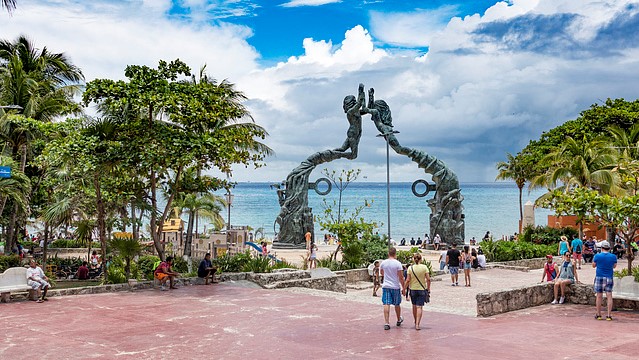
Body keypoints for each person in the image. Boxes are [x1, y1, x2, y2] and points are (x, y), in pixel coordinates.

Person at [334, 83, 365, 160]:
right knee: (353, 155)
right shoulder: (350, 112)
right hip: (353, 133)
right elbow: (359, 104)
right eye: (353, 101)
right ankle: (335, 155)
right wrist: (360, 91)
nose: (355, 102)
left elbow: (366, 109)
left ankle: (332, 154)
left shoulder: (357, 112)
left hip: (356, 134)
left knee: (342, 149)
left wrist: (371, 97)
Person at [380, 247, 405, 330]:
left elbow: (382, 273)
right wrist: (404, 287)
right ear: (395, 254)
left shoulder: (383, 263)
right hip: (395, 286)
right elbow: (401, 277)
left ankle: (386, 322)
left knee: (386, 304)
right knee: (397, 304)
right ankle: (398, 319)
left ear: (388, 254)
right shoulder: (398, 264)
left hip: (386, 285)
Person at [404, 253, 431, 330]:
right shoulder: (424, 267)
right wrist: (428, 288)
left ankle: (415, 320)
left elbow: (408, 280)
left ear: (414, 259)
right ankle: (417, 324)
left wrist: (404, 289)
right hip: (422, 289)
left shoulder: (410, 268)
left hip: (413, 289)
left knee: (414, 306)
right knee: (419, 307)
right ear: (421, 259)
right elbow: (428, 279)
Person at [593, 241, 617, 320]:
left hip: (599, 276)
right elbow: (614, 266)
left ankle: (599, 314)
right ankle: (609, 315)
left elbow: (593, 265)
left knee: (599, 296)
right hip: (609, 277)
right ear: (609, 248)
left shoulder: (597, 256)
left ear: (602, 248)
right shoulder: (613, 256)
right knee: (609, 296)